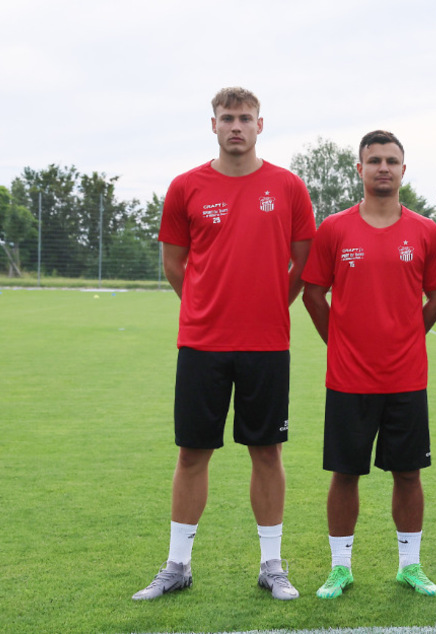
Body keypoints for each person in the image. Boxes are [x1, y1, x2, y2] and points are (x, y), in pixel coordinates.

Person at [133, 87, 315, 601]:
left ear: (261, 125)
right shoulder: (186, 187)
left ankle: (272, 565)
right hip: (202, 342)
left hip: (265, 343)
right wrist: (205, 304)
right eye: (227, 118)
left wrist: (268, 305)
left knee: (267, 451)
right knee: (193, 452)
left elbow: (302, 262)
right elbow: (174, 264)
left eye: (246, 118)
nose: (237, 126)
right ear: (212, 125)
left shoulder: (287, 186)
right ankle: (177, 565)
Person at [301, 130, 436, 599]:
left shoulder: (426, 231)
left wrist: (410, 335)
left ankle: (410, 565)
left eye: (391, 160)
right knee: (345, 474)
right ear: (360, 169)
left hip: (406, 378)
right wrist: (339, 341)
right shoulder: (335, 229)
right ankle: (340, 569)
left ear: (403, 170)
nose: (383, 168)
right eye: (374, 161)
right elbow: (312, 294)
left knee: (408, 473)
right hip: (348, 380)